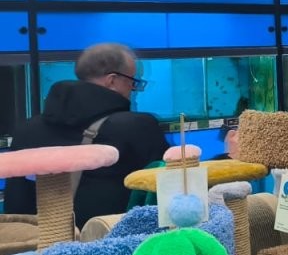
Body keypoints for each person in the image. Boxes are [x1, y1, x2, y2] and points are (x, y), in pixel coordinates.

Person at [3, 43, 168, 225]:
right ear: (112, 81)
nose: (133, 89)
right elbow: (165, 189)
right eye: (132, 81)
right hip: (109, 238)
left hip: (37, 238)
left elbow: (15, 201)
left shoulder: (26, 129)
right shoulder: (137, 126)